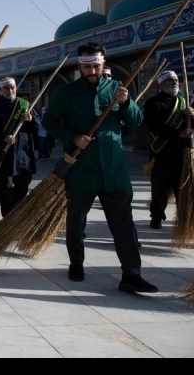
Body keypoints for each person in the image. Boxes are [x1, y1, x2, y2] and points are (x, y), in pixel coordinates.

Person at [42, 41, 157, 294]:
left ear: (103, 63)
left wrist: (126, 103)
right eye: (87, 67)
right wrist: (72, 138)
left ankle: (131, 274)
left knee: (124, 223)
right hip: (81, 168)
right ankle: (76, 263)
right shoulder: (68, 93)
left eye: (96, 65)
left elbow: (136, 120)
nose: (92, 71)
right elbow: (49, 122)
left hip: (114, 168)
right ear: (80, 66)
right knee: (77, 220)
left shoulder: (116, 89)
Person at [143, 70, 194, 229]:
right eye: (170, 80)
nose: (174, 82)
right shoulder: (153, 103)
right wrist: (178, 133)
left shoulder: (184, 102)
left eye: (176, 80)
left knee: (183, 188)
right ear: (161, 84)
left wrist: (192, 115)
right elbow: (154, 126)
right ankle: (157, 216)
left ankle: (185, 219)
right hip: (161, 153)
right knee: (160, 189)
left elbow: (190, 127)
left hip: (182, 153)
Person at [0, 77, 37, 217]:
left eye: (12, 87)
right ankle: (7, 216)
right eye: (6, 88)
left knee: (24, 183)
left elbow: (37, 128)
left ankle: (16, 212)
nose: (10, 90)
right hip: (5, 153)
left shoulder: (25, 105)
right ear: (1, 90)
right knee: (5, 187)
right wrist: (3, 137)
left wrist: (31, 119)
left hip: (22, 153)